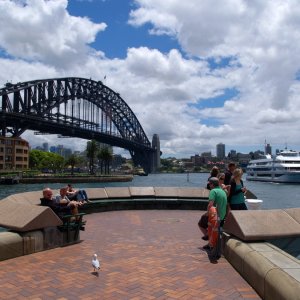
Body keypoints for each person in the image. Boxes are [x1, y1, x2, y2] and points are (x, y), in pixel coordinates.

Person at [203, 177, 227, 253]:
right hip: (222, 215)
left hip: (215, 216)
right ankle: (210, 242)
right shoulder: (223, 191)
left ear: (212, 184)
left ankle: (210, 242)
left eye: (209, 184)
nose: (209, 185)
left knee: (201, 223)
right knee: (213, 228)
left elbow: (210, 204)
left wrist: (206, 213)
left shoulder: (213, 191)